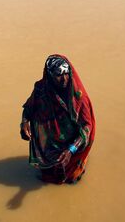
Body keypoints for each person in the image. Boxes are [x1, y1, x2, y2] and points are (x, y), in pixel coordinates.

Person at [20, 54, 96, 184]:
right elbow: (29, 108)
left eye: (67, 73)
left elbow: (86, 127)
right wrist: (24, 123)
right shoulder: (41, 90)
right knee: (48, 175)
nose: (64, 79)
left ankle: (77, 163)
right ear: (49, 76)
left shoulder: (78, 97)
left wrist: (70, 150)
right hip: (50, 145)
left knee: (72, 177)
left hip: (72, 143)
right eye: (59, 75)